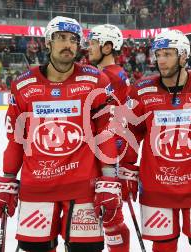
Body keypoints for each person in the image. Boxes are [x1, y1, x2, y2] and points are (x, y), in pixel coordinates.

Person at [0, 16, 120, 252]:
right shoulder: (23, 85)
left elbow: (107, 133)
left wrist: (109, 178)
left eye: (73, 39)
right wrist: (8, 179)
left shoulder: (95, 80)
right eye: (61, 38)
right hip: (37, 189)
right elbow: (15, 140)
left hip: (84, 189)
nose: (68, 44)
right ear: (48, 42)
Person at [117, 29, 191, 252]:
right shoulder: (141, 89)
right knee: (163, 246)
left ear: (183, 55)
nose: (160, 60)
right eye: (158, 54)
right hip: (156, 187)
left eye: (167, 54)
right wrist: (128, 168)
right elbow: (129, 130)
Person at [87, 23, 131, 252]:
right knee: (110, 217)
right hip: (111, 153)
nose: (89, 48)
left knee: (110, 218)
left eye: (93, 43)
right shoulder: (118, 73)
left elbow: (110, 121)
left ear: (107, 47)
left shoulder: (106, 76)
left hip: (105, 156)